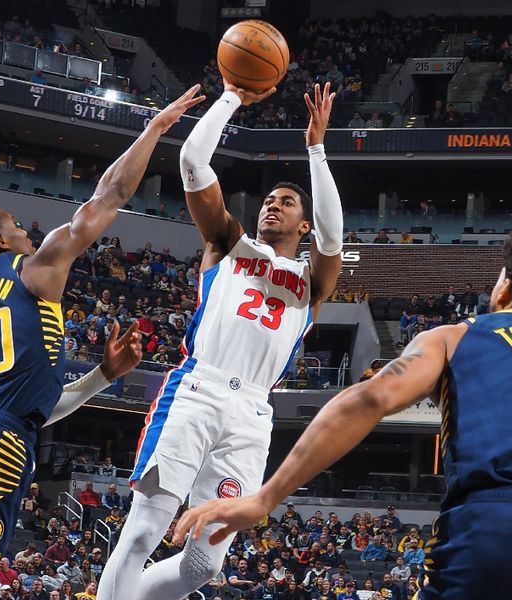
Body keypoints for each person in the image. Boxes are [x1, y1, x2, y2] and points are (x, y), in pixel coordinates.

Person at [176, 223, 512, 599]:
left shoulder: (455, 337)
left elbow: (367, 399)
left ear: (506, 286)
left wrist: (266, 498)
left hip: (485, 525)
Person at [0, 86, 203, 600]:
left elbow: (29, 410)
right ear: (0, 242)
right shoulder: (32, 270)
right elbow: (108, 197)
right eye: (15, 225)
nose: (26, 229)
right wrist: (155, 129)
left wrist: (101, 377)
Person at [98, 82, 343, 600]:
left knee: (202, 568)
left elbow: (333, 237)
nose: (274, 205)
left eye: (288, 202)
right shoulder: (228, 243)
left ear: (304, 222)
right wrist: (231, 95)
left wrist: (316, 150)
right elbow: (193, 162)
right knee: (144, 530)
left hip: (253, 413)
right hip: (199, 388)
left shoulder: (313, 282)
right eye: (270, 200)